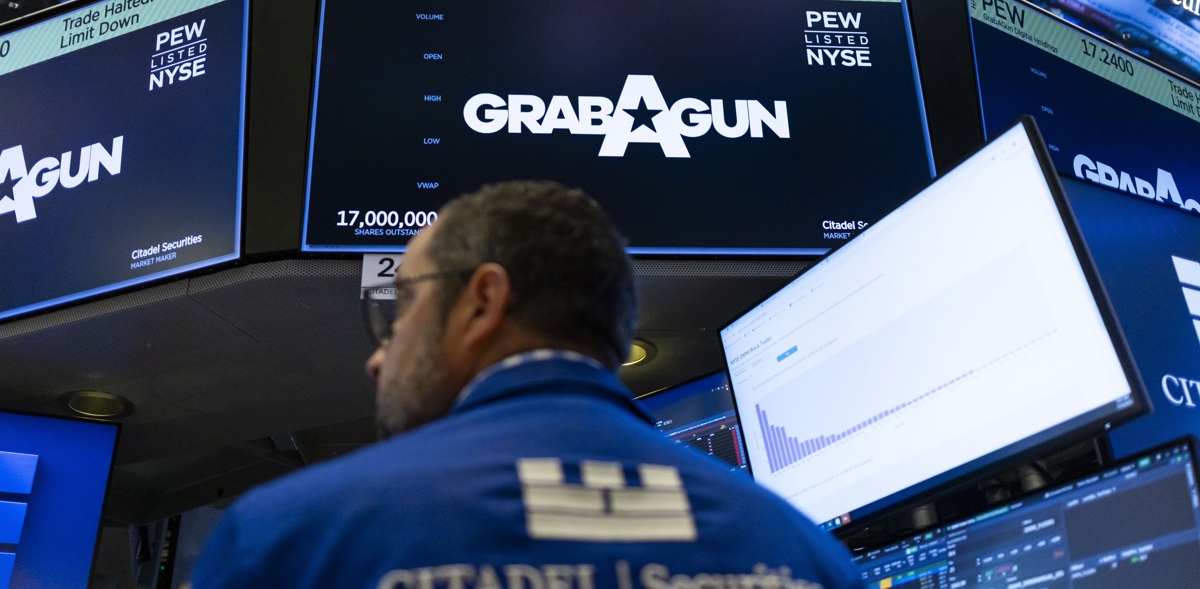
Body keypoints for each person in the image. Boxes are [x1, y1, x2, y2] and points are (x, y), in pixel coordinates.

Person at [191, 181, 864, 589]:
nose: (379, 357)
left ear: (483, 301)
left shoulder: (286, 541)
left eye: (398, 310)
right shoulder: (805, 555)